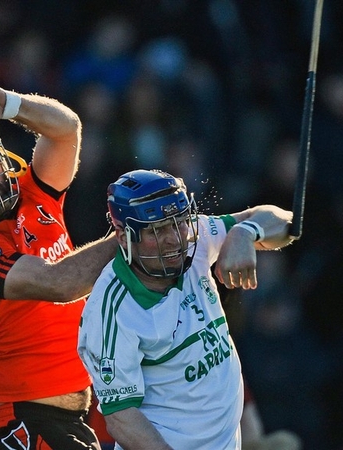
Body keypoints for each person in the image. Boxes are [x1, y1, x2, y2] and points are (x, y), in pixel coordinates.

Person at [0, 82, 117, 450]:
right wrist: (128, 234)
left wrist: (12, 105)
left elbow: (66, 131)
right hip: (22, 419)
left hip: (65, 418)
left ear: (1, 154)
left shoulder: (34, 190)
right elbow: (59, 284)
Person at [77, 169, 294, 450]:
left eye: (179, 223)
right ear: (123, 236)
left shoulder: (197, 238)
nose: (174, 239)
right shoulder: (112, 311)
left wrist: (244, 232)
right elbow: (121, 419)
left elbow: (286, 222)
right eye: (157, 230)